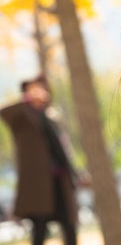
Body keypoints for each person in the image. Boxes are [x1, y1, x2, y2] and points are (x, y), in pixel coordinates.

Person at [0, 75, 79, 245]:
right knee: (40, 228)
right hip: (37, 184)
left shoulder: (51, 116)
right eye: (33, 89)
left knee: (69, 225)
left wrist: (76, 174)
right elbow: (3, 111)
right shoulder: (21, 117)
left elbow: (64, 150)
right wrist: (28, 100)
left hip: (60, 180)